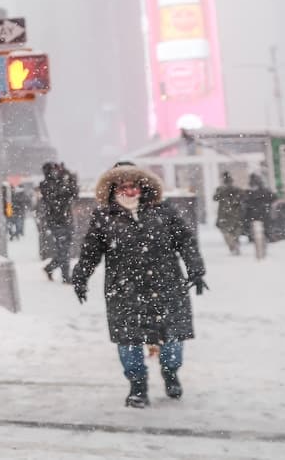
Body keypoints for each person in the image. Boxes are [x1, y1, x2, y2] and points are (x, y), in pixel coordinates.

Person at [71, 163, 207, 408]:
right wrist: (81, 276)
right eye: (123, 186)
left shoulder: (163, 211)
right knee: (128, 341)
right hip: (124, 289)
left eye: (133, 185)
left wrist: (196, 269)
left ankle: (170, 372)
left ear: (142, 187)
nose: (129, 190)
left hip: (166, 285)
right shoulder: (103, 217)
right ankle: (137, 385)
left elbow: (185, 241)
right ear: (113, 189)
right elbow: (90, 252)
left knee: (172, 340)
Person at [39, 162, 75, 283]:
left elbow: (74, 193)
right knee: (63, 249)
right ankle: (65, 276)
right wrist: (63, 178)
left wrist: (67, 174)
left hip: (65, 220)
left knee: (64, 249)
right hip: (56, 221)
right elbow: (57, 197)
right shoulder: (45, 185)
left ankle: (49, 268)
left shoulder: (60, 181)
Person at [242, 173, 275, 260]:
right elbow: (273, 198)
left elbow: (245, 202)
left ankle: (259, 251)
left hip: (253, 215)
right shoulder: (265, 190)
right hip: (263, 214)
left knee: (255, 234)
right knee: (264, 233)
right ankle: (262, 250)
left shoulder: (249, 191)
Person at [212, 172, 244, 255]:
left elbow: (215, 198)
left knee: (227, 232)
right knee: (233, 231)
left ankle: (233, 246)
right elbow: (215, 198)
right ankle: (234, 245)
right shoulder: (236, 190)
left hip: (226, 214)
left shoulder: (222, 189)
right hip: (233, 214)